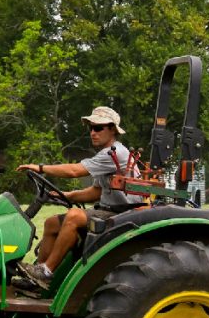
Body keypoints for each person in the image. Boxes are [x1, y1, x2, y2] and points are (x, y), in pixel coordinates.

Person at [14, 106, 143, 291]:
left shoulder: (115, 153)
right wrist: (64, 195)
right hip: (108, 209)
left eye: (98, 128)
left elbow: (75, 171)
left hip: (123, 213)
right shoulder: (107, 155)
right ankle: (36, 278)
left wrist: (40, 167)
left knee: (74, 216)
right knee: (51, 223)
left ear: (112, 129)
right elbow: (95, 193)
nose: (93, 132)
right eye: (91, 128)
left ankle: (47, 271)